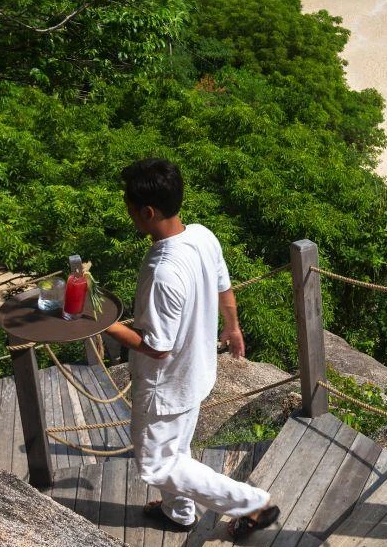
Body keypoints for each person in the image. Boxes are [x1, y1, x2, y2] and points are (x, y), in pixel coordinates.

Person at [103, 157, 280, 539]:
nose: (130, 215)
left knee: (156, 466)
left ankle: (251, 503)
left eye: (131, 209)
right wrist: (233, 328)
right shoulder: (201, 234)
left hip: (165, 386)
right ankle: (178, 511)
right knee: (175, 454)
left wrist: (102, 324)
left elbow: (156, 348)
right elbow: (223, 286)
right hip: (196, 370)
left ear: (148, 212)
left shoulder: (162, 269)